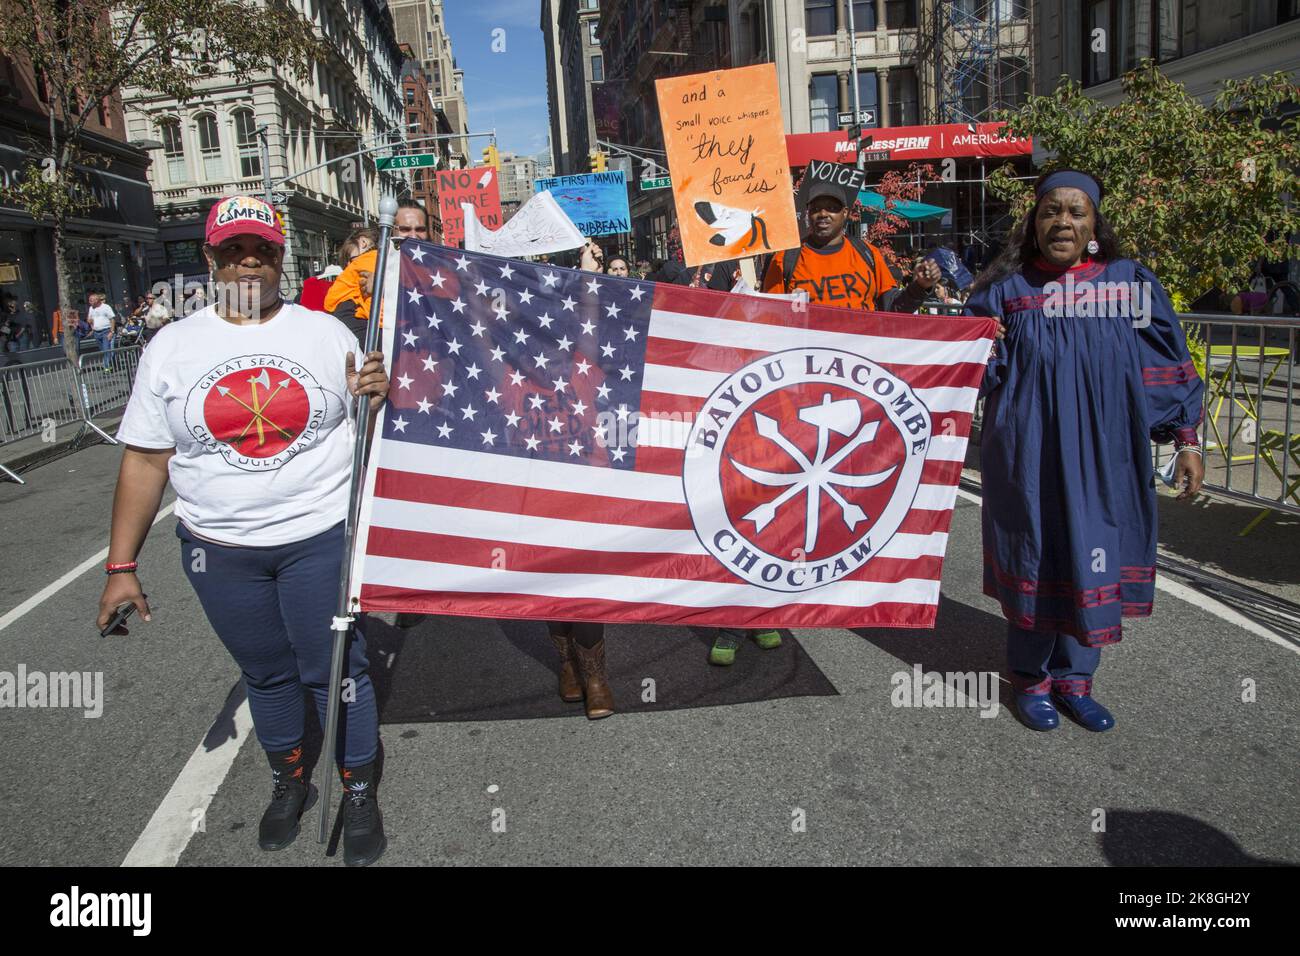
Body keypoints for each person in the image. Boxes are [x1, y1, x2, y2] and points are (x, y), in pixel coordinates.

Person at [97, 195, 392, 865]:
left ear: (281, 259)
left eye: (262, 249)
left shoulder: (326, 334)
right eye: (234, 250)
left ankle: (357, 784)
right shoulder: (171, 348)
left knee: (337, 669)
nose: (248, 262)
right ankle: (289, 779)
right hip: (220, 550)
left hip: (320, 538)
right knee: (266, 673)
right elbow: (145, 460)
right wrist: (120, 568)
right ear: (211, 259)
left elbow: (373, 428)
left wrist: (379, 391)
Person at [964, 169, 1204, 734]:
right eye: (1051, 211)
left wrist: (1187, 439)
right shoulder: (1006, 290)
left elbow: (1164, 365)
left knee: (1093, 552)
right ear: (1034, 223)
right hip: (1028, 454)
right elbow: (974, 377)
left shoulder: (1129, 285)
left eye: (1076, 212)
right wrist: (982, 343)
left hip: (1106, 456)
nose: (1063, 222)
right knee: (1037, 552)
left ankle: (1076, 681)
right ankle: (1031, 679)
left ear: (1094, 225)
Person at [761, 180, 940, 311]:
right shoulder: (785, 259)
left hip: (861, 358)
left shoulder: (868, 253)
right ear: (808, 214)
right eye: (816, 209)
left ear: (845, 213)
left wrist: (920, 286)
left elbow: (894, 308)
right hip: (807, 359)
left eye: (831, 208)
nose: (823, 214)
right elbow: (769, 317)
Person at [325, 200, 430, 338]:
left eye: (420, 229)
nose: (413, 235)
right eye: (405, 229)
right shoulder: (372, 261)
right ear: (392, 230)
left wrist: (387, 284)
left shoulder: (435, 265)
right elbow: (340, 313)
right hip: (381, 340)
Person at [87, 292, 117, 369]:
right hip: (97, 332)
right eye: (89, 300)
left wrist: (111, 332)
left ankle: (106, 367)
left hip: (106, 331)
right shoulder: (91, 308)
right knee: (103, 350)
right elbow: (89, 319)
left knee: (106, 349)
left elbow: (112, 319)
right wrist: (91, 325)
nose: (89, 302)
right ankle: (112, 365)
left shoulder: (106, 307)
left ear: (97, 300)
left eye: (91, 300)